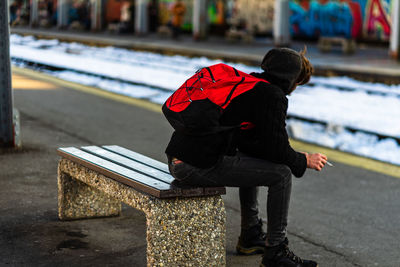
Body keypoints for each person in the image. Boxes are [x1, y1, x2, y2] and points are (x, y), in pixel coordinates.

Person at [165, 47, 327, 267]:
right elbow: (278, 148)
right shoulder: (272, 95)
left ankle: (250, 235)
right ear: (290, 79)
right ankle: (275, 253)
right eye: (298, 82)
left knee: (255, 163)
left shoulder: (248, 84)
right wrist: (304, 159)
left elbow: (255, 145)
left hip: (178, 160)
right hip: (194, 166)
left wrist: (285, 155)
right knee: (281, 174)